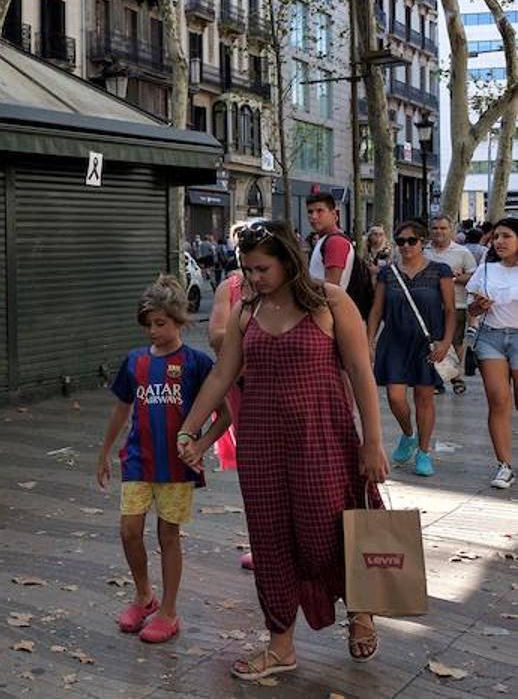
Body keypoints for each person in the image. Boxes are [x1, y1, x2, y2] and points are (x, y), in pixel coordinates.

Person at [178, 219, 389, 680]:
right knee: (271, 541)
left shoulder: (331, 302)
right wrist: (189, 429)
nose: (253, 278)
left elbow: (360, 370)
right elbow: (221, 375)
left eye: (262, 268)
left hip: (325, 440)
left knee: (330, 531)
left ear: (288, 260)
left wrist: (372, 442)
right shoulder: (247, 311)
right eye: (248, 269)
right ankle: (280, 644)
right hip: (262, 446)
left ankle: (360, 611)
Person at [97, 276, 223, 644]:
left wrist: (201, 447)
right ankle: (144, 596)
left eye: (160, 323)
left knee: (168, 535)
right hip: (138, 460)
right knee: (129, 530)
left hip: (176, 468)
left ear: (180, 320)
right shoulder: (134, 361)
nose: (152, 331)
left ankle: (168, 611)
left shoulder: (197, 363)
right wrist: (104, 452)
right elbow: (122, 410)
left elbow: (225, 414)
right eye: (148, 324)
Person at [366, 220, 456, 477]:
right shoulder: (388, 273)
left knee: (424, 397)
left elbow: (450, 310)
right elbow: (376, 309)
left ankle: (424, 452)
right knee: (395, 397)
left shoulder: (441, 270)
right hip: (394, 341)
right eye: (401, 241)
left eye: (412, 241)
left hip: (427, 343)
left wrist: (446, 342)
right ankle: (408, 435)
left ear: (423, 242)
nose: (406, 246)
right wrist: (369, 341)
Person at [208, 259, 254, 570]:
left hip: (289, 390)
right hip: (242, 386)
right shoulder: (231, 289)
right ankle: (263, 541)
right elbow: (215, 336)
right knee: (253, 467)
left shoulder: (299, 289)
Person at [467, 217, 518, 490]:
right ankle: (504, 466)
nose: (499, 241)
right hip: (491, 338)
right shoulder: (486, 270)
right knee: (498, 400)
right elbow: (471, 310)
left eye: (506, 236)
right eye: (496, 236)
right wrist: (478, 306)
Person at [423, 215, 475, 396]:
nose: (439, 232)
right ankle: (437, 379)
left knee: (455, 342)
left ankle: (455, 374)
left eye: (443, 228)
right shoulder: (423, 251)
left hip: (456, 304)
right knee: (431, 342)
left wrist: (455, 278)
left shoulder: (463, 252)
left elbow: (473, 277)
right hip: (429, 306)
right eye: (435, 228)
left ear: (451, 230)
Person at [307, 193, 353, 287]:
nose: (314, 216)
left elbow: (331, 286)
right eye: (310, 212)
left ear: (334, 214)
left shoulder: (335, 242)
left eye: (320, 211)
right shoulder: (325, 240)